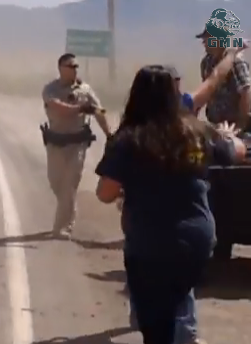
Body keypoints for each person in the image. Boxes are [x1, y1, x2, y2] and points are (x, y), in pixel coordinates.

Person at [95, 43, 247, 344]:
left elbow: (105, 193)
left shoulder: (129, 138)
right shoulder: (197, 132)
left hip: (148, 241)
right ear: (174, 96)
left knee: (156, 321)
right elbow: (237, 152)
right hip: (196, 239)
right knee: (179, 296)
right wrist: (228, 137)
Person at [124, 64, 201, 344]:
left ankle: (181, 330)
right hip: (177, 225)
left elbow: (106, 191)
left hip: (155, 227)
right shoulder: (191, 129)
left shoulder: (134, 132)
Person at [41, 52, 113, 239]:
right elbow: (57, 106)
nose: (74, 70)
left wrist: (109, 134)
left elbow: (99, 111)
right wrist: (80, 108)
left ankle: (63, 225)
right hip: (56, 142)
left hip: (77, 143)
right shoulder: (50, 89)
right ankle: (68, 210)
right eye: (70, 66)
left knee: (70, 182)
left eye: (76, 67)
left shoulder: (85, 90)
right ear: (60, 68)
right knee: (56, 182)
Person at [196, 29, 251, 129]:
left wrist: (240, 127)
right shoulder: (206, 63)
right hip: (215, 124)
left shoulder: (236, 62)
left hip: (234, 125)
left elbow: (246, 93)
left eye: (207, 38)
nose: (203, 42)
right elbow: (206, 90)